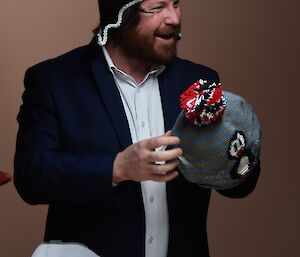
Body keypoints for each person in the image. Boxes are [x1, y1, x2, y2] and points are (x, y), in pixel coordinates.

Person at [14, 0, 261, 257]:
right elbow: (31, 177)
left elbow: (241, 185)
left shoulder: (200, 81)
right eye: (157, 8)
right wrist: (118, 167)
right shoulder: (54, 80)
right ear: (119, 16)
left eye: (176, 4)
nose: (174, 18)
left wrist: (230, 149)